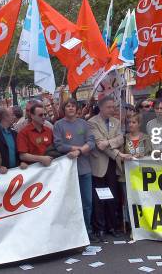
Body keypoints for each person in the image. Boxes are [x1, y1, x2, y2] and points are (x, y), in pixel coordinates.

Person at [53, 98, 96, 240]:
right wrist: (78, 148)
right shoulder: (58, 125)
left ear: (76, 109)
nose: (70, 108)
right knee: (70, 203)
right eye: (68, 106)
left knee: (87, 202)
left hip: (85, 169)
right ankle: (72, 234)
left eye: (73, 106)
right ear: (64, 109)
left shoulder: (84, 124)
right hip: (67, 172)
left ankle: (87, 230)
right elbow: (59, 145)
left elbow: (91, 142)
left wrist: (79, 152)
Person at [88, 96, 124, 241]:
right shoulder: (91, 123)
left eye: (113, 107)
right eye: (109, 107)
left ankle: (112, 226)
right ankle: (100, 227)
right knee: (99, 198)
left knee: (112, 196)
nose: (112, 110)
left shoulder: (116, 122)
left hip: (113, 165)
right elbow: (99, 145)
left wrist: (108, 143)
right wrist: (118, 152)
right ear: (101, 107)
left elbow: (120, 139)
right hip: (99, 164)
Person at [0, 108, 27, 173]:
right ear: (5, 117)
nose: (14, 117)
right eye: (12, 115)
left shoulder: (15, 134)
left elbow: (19, 152)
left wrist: (22, 162)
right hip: (0, 175)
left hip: (16, 173)